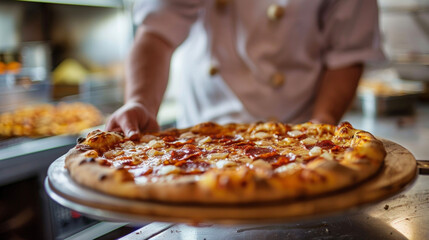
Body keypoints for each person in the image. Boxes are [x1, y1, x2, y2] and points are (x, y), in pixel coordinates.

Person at [106, 0, 384, 138]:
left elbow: (347, 53)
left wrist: (320, 127)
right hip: (196, 145)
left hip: (298, 135)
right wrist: (140, 100)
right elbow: (156, 32)